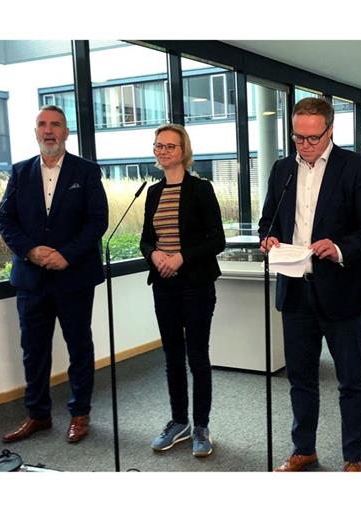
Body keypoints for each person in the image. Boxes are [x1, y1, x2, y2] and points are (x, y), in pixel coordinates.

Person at [258, 97, 361, 472]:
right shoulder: (282, 169)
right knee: (300, 378)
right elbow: (269, 219)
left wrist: (340, 247)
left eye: (313, 138)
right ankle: (304, 448)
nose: (306, 145)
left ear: (330, 130)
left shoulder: (357, 168)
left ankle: (353, 458)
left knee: (350, 380)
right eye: (298, 138)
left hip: (340, 289)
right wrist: (268, 239)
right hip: (294, 289)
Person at [0, 105, 108, 444]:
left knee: (78, 346)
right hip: (31, 278)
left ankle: (79, 414)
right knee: (33, 349)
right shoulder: (19, 172)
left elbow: (96, 221)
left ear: (66, 132)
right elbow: (5, 220)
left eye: (55, 125)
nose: (48, 131)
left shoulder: (86, 171)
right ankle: (38, 414)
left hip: (72, 276)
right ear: (35, 132)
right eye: (42, 125)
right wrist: (31, 250)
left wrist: (66, 255)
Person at [139, 124, 225, 458]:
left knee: (197, 357)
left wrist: (180, 258)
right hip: (164, 286)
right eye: (158, 146)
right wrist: (155, 254)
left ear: (183, 151)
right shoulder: (152, 192)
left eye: (170, 146)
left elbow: (216, 239)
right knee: (172, 357)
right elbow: (147, 238)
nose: (162, 151)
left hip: (196, 285)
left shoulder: (201, 189)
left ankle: (201, 425)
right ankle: (179, 422)